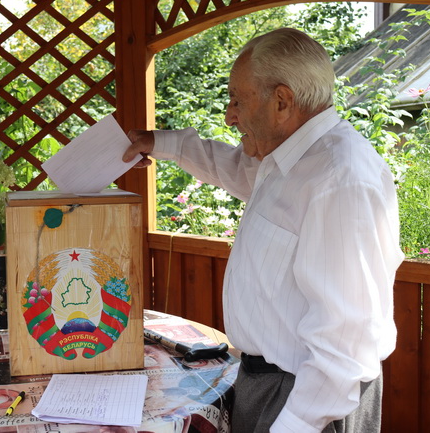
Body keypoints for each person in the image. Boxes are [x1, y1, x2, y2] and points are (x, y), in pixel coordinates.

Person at [122, 28, 404, 433]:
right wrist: (159, 143)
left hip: (308, 402)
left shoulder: (340, 179)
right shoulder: (287, 159)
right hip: (272, 385)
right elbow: (233, 167)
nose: (229, 115)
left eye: (238, 100)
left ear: (282, 102)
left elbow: (347, 339)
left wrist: (296, 423)